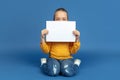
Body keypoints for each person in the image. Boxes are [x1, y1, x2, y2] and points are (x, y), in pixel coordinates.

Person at [40, 8, 81, 77]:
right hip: (53, 58)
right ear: (54, 21)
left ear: (68, 21)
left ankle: (76, 64)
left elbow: (73, 51)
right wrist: (42, 38)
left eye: (64, 19)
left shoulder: (71, 33)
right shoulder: (50, 33)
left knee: (68, 72)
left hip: (67, 58)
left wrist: (77, 39)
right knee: (53, 72)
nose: (61, 21)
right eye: (58, 19)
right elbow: (46, 51)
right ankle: (44, 63)